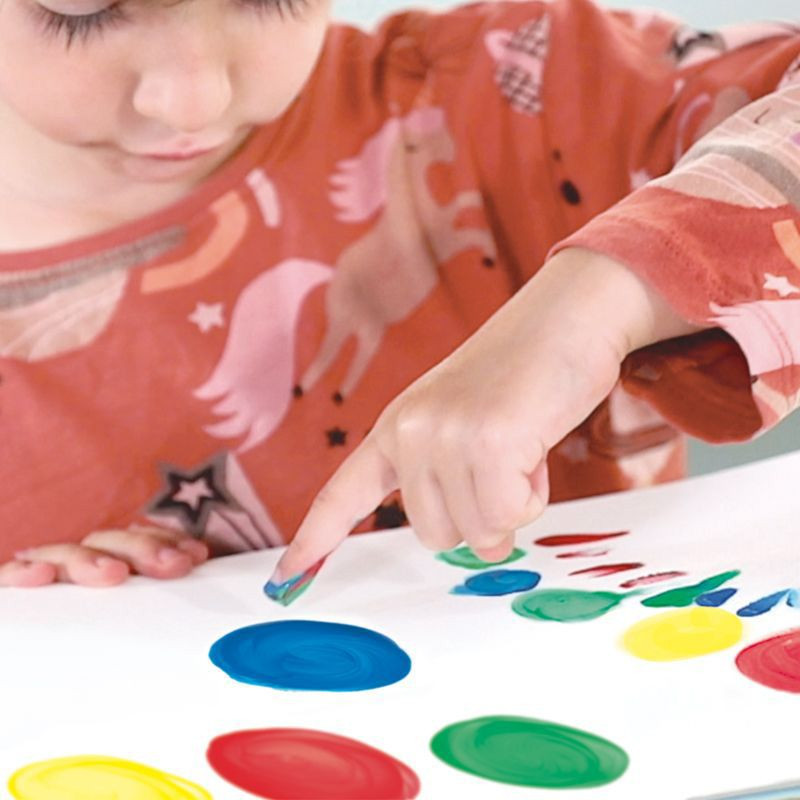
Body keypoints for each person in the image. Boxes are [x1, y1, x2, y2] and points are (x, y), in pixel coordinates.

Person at [0, 0, 797, 588]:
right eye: (83, 11)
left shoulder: (510, 89)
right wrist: (42, 636)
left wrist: (594, 302)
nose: (193, 99)